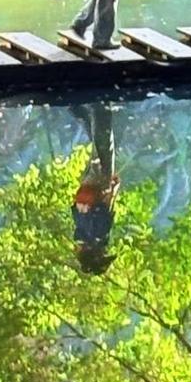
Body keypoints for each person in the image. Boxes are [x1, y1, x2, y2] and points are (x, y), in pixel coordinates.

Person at [71, 103, 119, 275]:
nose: (105, 252)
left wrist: (113, 189)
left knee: (104, 145)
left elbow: (105, 208)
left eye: (103, 255)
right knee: (97, 148)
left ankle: (101, 108)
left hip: (99, 186)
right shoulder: (80, 236)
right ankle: (79, 112)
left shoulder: (100, 234)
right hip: (85, 187)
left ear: (96, 255)